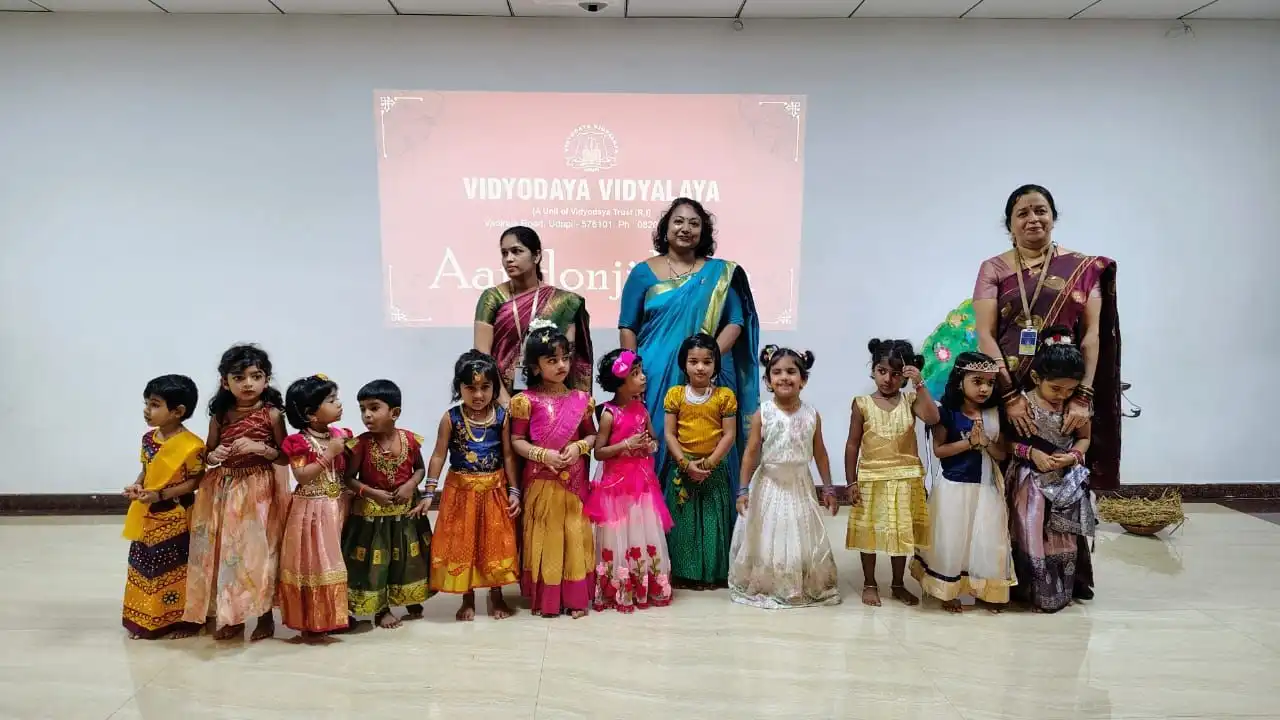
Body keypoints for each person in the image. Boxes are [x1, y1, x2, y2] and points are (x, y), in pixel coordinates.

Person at [920, 184, 1121, 491]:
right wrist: (1011, 396)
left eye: (1041, 211)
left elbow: (1091, 336)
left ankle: (1059, 541)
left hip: (1061, 389)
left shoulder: (1083, 268)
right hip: (1004, 385)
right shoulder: (994, 268)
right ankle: (1005, 540)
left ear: (1053, 217)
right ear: (1009, 224)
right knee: (1004, 471)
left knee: (1059, 469)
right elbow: (985, 334)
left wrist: (1081, 397)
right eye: (1022, 213)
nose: (1033, 219)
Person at [618, 197, 759, 495]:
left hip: (706, 375)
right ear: (665, 228)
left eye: (694, 223)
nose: (686, 228)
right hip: (655, 376)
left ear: (704, 232)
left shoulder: (721, 273)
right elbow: (628, 326)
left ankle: (709, 531)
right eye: (678, 221)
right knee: (657, 440)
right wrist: (633, 374)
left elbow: (735, 321)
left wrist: (705, 362)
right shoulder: (642, 272)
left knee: (710, 440)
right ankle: (654, 531)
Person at [184, 344, 290, 641]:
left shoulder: (272, 415)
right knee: (227, 555)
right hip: (224, 489)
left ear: (266, 380)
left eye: (256, 376)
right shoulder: (220, 416)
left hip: (258, 490)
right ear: (224, 381)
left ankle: (265, 616)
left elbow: (284, 456)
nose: (248, 384)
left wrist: (262, 448)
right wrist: (213, 455)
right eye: (239, 377)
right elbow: (207, 454)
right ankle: (232, 616)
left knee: (260, 552)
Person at [729, 346, 840, 610]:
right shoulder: (763, 413)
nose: (784, 377)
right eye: (776, 372)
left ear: (803, 379)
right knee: (771, 535)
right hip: (769, 484)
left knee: (799, 535)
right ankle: (771, 583)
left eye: (791, 371)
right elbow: (750, 453)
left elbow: (821, 454)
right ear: (767, 381)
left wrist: (828, 488)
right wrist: (742, 490)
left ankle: (797, 583)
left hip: (800, 485)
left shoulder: (812, 415)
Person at [910, 352, 1015, 613]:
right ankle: (949, 591)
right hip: (954, 488)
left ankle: (984, 589)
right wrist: (970, 442)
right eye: (977, 381)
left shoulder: (993, 414)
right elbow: (940, 450)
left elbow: (1002, 454)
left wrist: (986, 443)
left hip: (986, 488)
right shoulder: (948, 413)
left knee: (985, 540)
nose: (984, 388)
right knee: (953, 540)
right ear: (960, 381)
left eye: (990, 383)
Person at [509, 325, 598, 618]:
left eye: (565, 358)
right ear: (535, 366)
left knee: (574, 533)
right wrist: (541, 454)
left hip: (573, 479)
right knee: (545, 536)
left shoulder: (582, 400)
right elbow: (516, 441)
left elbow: (592, 436)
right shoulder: (525, 401)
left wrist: (580, 448)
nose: (561, 365)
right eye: (552, 360)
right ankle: (547, 598)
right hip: (541, 480)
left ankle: (574, 598)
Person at [844, 339, 940, 607]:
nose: (887, 379)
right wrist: (851, 481)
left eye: (896, 374)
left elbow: (933, 418)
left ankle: (898, 583)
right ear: (872, 370)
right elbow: (852, 444)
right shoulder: (862, 404)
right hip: (871, 479)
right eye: (881, 371)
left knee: (901, 533)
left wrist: (920, 384)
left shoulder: (911, 400)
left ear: (905, 375)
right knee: (870, 533)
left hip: (905, 478)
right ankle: (870, 582)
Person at [427, 351, 521, 621]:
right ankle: (467, 597)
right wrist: (430, 491)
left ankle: (496, 594)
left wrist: (514, 491)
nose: (478, 395)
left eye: (485, 387)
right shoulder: (451, 418)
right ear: (459, 388)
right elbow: (438, 454)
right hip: (461, 494)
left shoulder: (502, 416)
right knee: (464, 544)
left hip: (494, 491)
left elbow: (508, 456)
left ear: (494, 387)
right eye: (470, 388)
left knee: (494, 544)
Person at [1008, 329, 1097, 613]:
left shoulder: (1076, 408)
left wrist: (1072, 456)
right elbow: (1004, 443)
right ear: (1036, 378)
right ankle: (1032, 590)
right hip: (1030, 482)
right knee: (1030, 531)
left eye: (1071, 389)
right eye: (1056, 389)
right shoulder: (1022, 405)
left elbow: (1084, 438)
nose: (1063, 395)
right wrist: (1030, 453)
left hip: (1065, 483)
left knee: (1063, 537)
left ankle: (1061, 590)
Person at [587, 348, 673, 613]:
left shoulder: (642, 410)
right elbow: (599, 452)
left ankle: (644, 584)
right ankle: (618, 585)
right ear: (620, 384)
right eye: (635, 374)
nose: (643, 378)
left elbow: (654, 439)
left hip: (642, 485)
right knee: (618, 535)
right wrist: (624, 445)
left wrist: (650, 447)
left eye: (640, 372)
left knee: (643, 531)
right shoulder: (609, 414)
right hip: (616, 488)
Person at [343, 379, 434, 629]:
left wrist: (410, 486)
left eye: (374, 408)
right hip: (373, 520)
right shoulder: (359, 445)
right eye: (362, 409)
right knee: (377, 563)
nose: (367, 415)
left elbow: (420, 469)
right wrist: (369, 492)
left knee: (409, 559)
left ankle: (409, 596)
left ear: (395, 413)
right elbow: (348, 479)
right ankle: (381, 609)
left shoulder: (410, 440)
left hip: (406, 515)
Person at [121, 374, 206, 639]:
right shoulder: (149, 439)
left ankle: (180, 621)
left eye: (155, 404)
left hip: (177, 517)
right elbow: (146, 471)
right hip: (147, 514)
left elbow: (195, 481)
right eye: (147, 403)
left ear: (178, 411)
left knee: (176, 569)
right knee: (144, 567)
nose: (147, 411)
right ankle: (145, 620)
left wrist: (160, 495)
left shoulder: (192, 445)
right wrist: (137, 487)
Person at [474, 225, 593, 405]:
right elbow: (481, 354)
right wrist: (505, 403)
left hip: (549, 401)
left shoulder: (564, 302)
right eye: (504, 253)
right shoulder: (492, 298)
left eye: (516, 251)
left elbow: (570, 356)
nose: (509, 259)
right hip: (499, 397)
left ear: (536, 256)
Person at [279, 375, 352, 643]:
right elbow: (302, 476)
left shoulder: (342, 435)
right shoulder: (299, 443)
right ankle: (312, 620)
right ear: (311, 414)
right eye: (331, 401)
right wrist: (328, 454)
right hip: (311, 511)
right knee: (314, 563)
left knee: (336, 560)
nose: (339, 405)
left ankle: (335, 615)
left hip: (337, 506)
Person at [662, 333, 739, 590]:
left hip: (713, 469)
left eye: (707, 361)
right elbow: (670, 434)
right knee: (684, 525)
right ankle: (685, 573)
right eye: (693, 361)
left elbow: (729, 435)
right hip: (683, 469)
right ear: (684, 363)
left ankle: (712, 574)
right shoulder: (675, 395)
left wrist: (708, 464)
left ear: (716, 364)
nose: (700, 367)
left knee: (711, 522)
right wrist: (686, 464)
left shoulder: (724, 396)